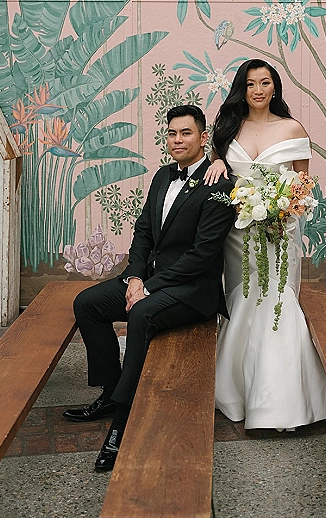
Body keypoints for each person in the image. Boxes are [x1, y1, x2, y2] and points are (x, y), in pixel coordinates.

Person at [64, 104, 235, 472]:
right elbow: (143, 233)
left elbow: (202, 255)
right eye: (172, 133)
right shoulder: (161, 176)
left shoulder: (220, 186)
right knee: (87, 303)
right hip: (152, 281)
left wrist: (149, 289)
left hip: (192, 290)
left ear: (203, 138)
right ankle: (110, 392)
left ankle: (121, 425)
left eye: (186, 133)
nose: (177, 140)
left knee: (140, 313)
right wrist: (135, 278)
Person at [205, 59, 326, 430]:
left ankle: (280, 402)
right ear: (242, 90)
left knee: (277, 300)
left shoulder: (292, 128)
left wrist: (284, 211)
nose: (258, 90)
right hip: (238, 234)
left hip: (280, 231)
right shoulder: (229, 129)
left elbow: (303, 184)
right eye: (250, 84)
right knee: (243, 300)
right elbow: (219, 166)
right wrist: (215, 163)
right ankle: (235, 392)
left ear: (275, 87)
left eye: (265, 83)